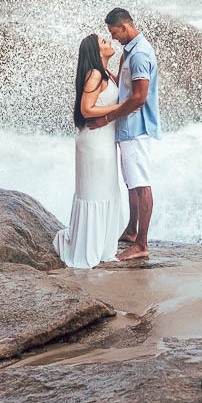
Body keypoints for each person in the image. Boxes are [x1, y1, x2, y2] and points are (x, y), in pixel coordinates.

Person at [87, 7, 161, 261]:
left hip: (137, 128)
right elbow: (129, 88)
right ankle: (131, 231)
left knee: (141, 184)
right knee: (132, 182)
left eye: (113, 32)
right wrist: (110, 75)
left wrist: (107, 117)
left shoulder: (139, 54)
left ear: (125, 27)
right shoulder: (131, 51)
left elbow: (139, 98)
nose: (113, 37)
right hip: (128, 128)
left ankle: (142, 244)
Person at [53, 33, 126, 268]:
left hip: (103, 140)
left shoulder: (104, 73)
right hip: (94, 142)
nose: (109, 42)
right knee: (95, 192)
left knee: (105, 189)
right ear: (96, 52)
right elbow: (86, 109)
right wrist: (121, 108)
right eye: (104, 42)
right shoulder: (95, 74)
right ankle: (87, 248)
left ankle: (101, 245)